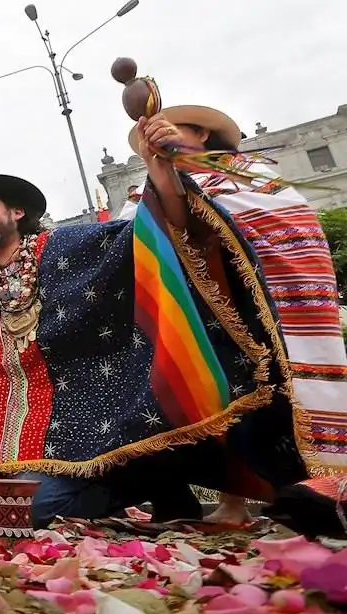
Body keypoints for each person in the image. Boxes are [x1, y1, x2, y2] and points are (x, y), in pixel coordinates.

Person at [0, 115, 313, 526]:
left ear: (17, 212)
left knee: (33, 509)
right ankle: (160, 488)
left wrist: (156, 166)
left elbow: (149, 234)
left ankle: (153, 473)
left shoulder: (68, 248)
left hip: (99, 428)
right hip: (32, 444)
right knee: (11, 511)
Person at [119, 104, 347, 523]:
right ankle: (233, 501)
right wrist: (162, 178)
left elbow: (289, 230)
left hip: (276, 305)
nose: (156, 136)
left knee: (290, 396)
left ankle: (321, 492)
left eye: (169, 127)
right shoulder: (147, 188)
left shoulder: (251, 175)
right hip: (202, 310)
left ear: (202, 134)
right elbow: (134, 241)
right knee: (223, 400)